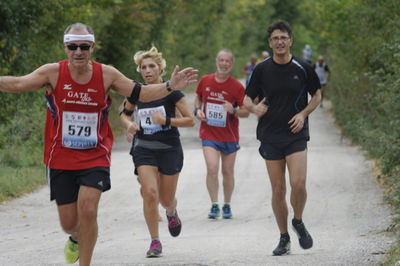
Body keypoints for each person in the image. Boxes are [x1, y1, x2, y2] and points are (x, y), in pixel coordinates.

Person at [0, 22, 197, 266]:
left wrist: (169, 86)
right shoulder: (52, 72)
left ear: (92, 47)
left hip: (95, 155)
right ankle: (75, 236)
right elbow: (18, 84)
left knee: (89, 209)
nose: (78, 51)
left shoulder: (107, 75)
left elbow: (140, 93)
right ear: (65, 47)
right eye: (73, 46)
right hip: (60, 156)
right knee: (69, 223)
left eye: (84, 46)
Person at [243, 20, 321, 256]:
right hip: (270, 135)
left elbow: (317, 95)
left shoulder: (303, 67)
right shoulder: (262, 69)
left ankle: (297, 220)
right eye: (275, 38)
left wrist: (303, 113)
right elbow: (247, 99)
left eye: (283, 38)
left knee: (298, 184)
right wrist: (254, 109)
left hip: (296, 133)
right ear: (270, 42)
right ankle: (284, 237)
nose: (279, 42)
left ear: (290, 41)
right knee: (278, 189)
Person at [120, 46, 195, 257]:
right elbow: (124, 114)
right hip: (144, 148)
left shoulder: (172, 92)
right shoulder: (137, 92)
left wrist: (166, 121)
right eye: (143, 67)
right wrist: (128, 125)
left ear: (160, 68)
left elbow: (190, 120)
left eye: (152, 66)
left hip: (169, 148)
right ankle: (155, 241)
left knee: (165, 199)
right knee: (150, 193)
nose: (147, 70)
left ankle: (171, 212)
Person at [194, 49, 249, 220]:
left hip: (229, 135)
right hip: (209, 132)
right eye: (221, 60)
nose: (224, 63)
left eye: (227, 61)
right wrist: (197, 110)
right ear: (216, 61)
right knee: (212, 168)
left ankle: (227, 204)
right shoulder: (205, 80)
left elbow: (246, 112)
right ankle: (214, 204)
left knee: (227, 171)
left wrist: (233, 110)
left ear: (231, 64)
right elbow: (198, 97)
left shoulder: (237, 87)